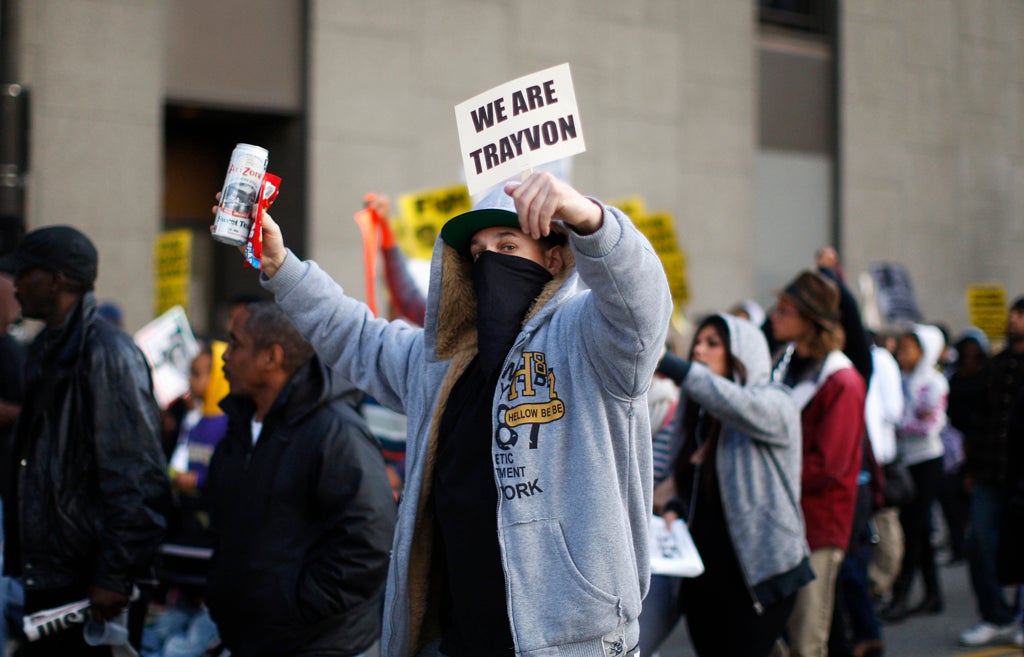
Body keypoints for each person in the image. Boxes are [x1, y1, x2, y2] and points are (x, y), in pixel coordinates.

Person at [251, 171, 673, 657]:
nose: (489, 262)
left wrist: (589, 217)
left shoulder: (588, 339)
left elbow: (641, 304)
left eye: (508, 246)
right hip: (460, 637)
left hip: (572, 640)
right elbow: (355, 335)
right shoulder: (443, 363)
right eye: (477, 254)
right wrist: (281, 266)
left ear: (554, 258)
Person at [0, 225, 171, 655]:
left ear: (56, 280)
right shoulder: (46, 348)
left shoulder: (107, 353)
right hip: (51, 577)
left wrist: (114, 574)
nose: (16, 284)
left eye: (26, 274)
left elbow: (137, 475)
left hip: (90, 587)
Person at [203, 301, 397, 657]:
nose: (224, 357)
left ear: (271, 358)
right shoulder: (240, 427)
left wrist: (296, 604)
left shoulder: (335, 432)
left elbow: (371, 541)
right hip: (252, 637)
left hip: (317, 643)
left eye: (236, 344)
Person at [640, 314, 812, 657]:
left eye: (713, 344)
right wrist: (675, 508)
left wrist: (670, 364)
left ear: (743, 354)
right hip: (703, 579)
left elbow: (735, 403)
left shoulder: (775, 403)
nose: (699, 351)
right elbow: (693, 490)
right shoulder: (699, 413)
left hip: (757, 577)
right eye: (697, 343)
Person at [769, 270, 867, 657]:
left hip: (818, 526)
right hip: (783, 520)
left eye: (784, 310)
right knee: (776, 635)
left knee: (808, 640)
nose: (774, 317)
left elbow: (828, 465)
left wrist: (768, 477)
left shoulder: (842, 380)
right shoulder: (787, 362)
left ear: (810, 319)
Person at [960, 296, 1024, 648]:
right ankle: (994, 614)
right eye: (1012, 313)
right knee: (979, 543)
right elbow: (979, 420)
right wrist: (971, 468)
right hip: (989, 472)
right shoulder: (996, 366)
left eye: (1020, 314)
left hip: (1019, 476)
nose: (1013, 319)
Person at [880, 324, 948, 621]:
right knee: (917, 530)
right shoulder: (901, 379)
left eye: (908, 349)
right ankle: (933, 595)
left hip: (927, 461)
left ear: (925, 352)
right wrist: (906, 419)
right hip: (906, 460)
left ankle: (901, 595)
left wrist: (897, 421)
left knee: (915, 529)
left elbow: (929, 425)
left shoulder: (934, 383)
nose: (902, 354)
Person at [864, 334, 906, 598]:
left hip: (879, 457)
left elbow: (893, 410)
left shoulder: (879, 359)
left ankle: (879, 582)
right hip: (863, 456)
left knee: (884, 524)